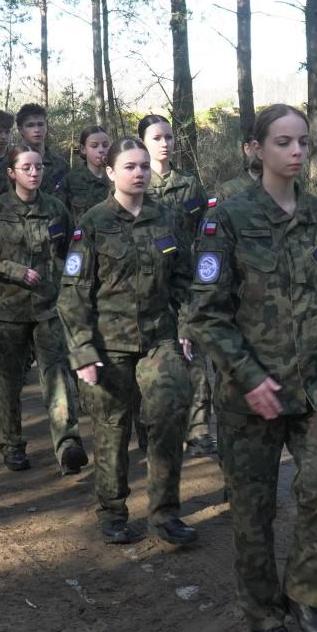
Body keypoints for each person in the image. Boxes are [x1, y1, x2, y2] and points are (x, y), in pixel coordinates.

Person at [189, 104, 317, 632]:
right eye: (284, 142)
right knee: (253, 509)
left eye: (303, 142)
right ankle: (264, 615)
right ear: (256, 149)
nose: (296, 152)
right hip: (251, 393)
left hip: (316, 385)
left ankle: (305, 596)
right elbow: (205, 313)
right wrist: (248, 377)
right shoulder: (228, 219)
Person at [59, 135, 197, 546]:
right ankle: (113, 511)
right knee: (112, 429)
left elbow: (185, 279)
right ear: (110, 172)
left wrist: (187, 326)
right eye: (129, 167)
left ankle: (165, 513)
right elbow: (73, 292)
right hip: (109, 344)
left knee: (168, 417)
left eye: (143, 166)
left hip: (159, 339)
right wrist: (82, 350)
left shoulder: (166, 218)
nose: (139, 173)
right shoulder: (94, 223)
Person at [0, 146, 87, 475]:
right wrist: (14, 271)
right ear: (11, 173)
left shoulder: (56, 209)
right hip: (7, 311)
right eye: (27, 168)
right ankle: (12, 444)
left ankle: (68, 444)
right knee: (8, 381)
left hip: (48, 308)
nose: (34, 173)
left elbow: (73, 252)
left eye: (39, 167)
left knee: (57, 376)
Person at [139, 113, 217, 457]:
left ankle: (199, 429)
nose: (165, 143)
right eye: (156, 138)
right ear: (143, 143)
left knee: (194, 353)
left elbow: (204, 228)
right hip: (150, 283)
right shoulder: (137, 182)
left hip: (186, 280)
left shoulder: (188, 183)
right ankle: (152, 428)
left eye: (169, 137)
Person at [16, 102, 70, 198]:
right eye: (30, 125)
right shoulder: (13, 163)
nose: (36, 130)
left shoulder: (61, 164)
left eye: (40, 124)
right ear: (20, 129)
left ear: (46, 127)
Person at [61, 125, 112, 226]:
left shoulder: (118, 177)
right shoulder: (71, 180)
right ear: (83, 149)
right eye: (94, 146)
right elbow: (60, 214)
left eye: (105, 145)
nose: (101, 150)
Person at [213, 133, 259, 203]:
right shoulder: (227, 191)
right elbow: (211, 209)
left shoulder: (276, 189)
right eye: (258, 147)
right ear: (247, 149)